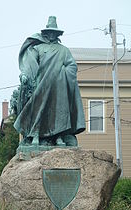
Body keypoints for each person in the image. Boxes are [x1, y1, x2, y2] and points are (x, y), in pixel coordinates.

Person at [14, 16, 85, 146]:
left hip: (60, 86)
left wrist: (64, 72)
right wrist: (25, 75)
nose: (51, 35)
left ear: (57, 34)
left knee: (60, 112)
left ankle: (58, 137)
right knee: (37, 109)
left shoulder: (64, 50)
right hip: (42, 84)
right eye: (49, 32)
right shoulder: (38, 48)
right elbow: (30, 64)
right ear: (45, 33)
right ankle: (35, 134)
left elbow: (72, 65)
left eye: (54, 32)